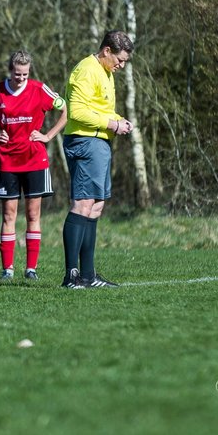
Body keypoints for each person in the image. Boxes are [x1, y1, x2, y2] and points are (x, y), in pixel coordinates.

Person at [0, 50, 67, 282]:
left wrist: (48, 135)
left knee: (33, 215)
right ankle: (8, 269)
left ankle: (31, 269)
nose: (21, 78)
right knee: (9, 215)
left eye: (25, 74)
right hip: (8, 162)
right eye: (17, 74)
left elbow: (65, 109)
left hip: (35, 160)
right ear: (9, 71)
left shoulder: (39, 88)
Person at [61, 30, 136, 288]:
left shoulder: (105, 72)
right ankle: (71, 276)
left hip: (100, 142)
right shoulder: (86, 70)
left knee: (96, 207)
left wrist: (118, 120)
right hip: (85, 141)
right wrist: (111, 124)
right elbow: (78, 111)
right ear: (106, 51)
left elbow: (100, 108)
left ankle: (88, 275)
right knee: (82, 204)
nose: (121, 65)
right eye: (120, 59)